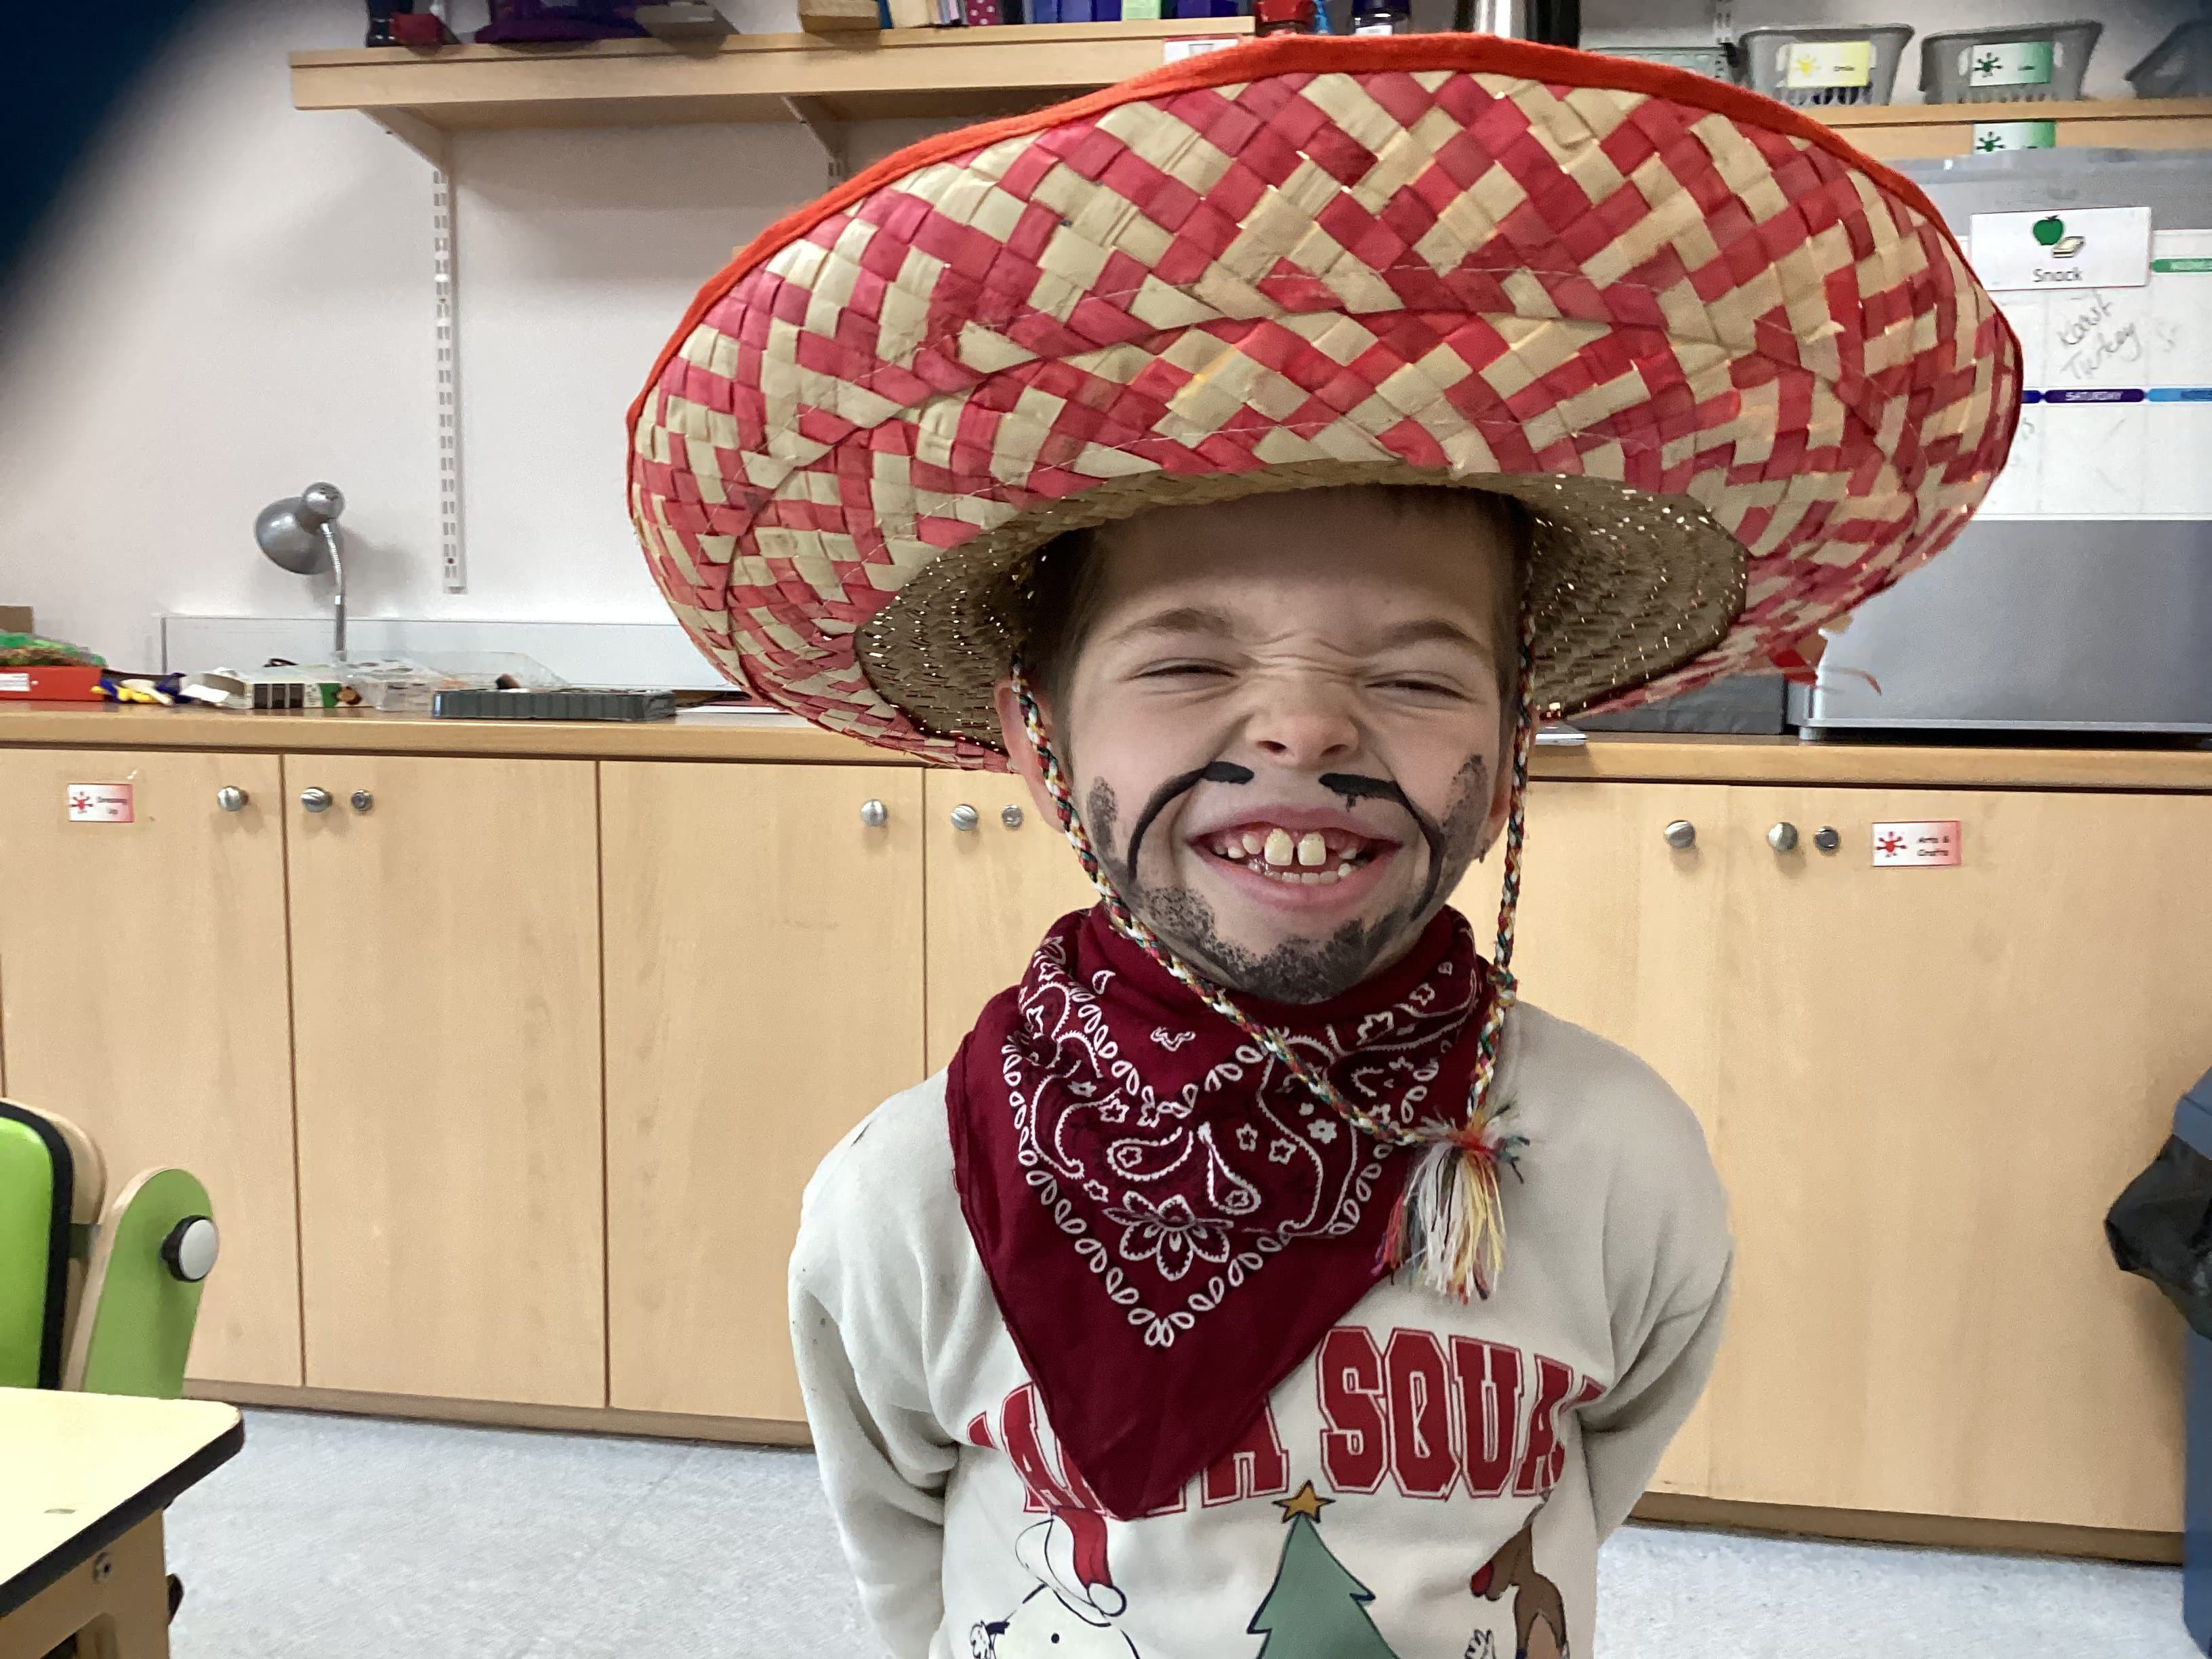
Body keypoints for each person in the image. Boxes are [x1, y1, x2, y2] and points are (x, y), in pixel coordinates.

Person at [626, 33, 2018, 1659]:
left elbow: (1595, 1476)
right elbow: (901, 1544)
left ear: (1507, 750)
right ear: (1040, 737)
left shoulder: (1613, 1163)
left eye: (1414, 675)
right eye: (1190, 660)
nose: (1300, 731)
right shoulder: (911, 1196)